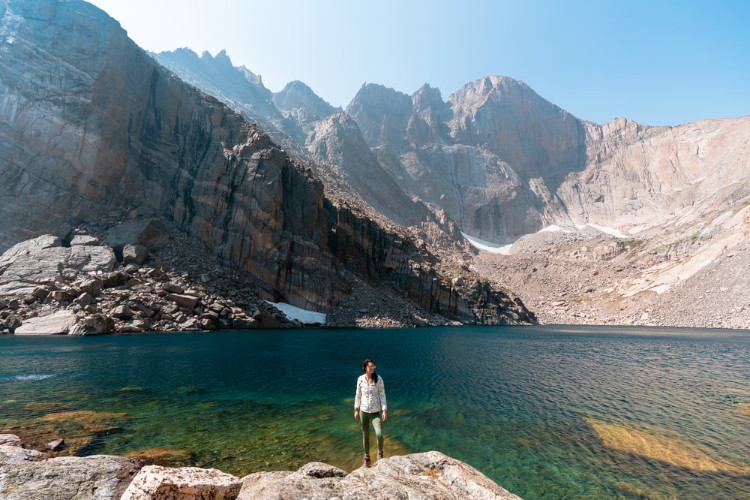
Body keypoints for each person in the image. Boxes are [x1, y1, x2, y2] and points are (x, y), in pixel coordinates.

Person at [353, 358, 387, 467]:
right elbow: (358, 395)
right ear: (365, 368)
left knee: (379, 433)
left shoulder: (378, 379)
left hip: (375, 412)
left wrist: (384, 410)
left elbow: (382, 394)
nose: (372, 368)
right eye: (370, 366)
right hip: (363, 412)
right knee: (365, 435)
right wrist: (356, 409)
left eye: (374, 366)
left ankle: (380, 455)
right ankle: (367, 459)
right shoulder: (360, 379)